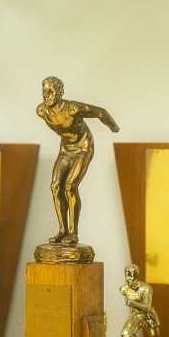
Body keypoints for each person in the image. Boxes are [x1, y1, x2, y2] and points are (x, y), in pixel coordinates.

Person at [37, 76, 119, 244]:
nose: (47, 96)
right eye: (44, 92)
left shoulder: (73, 108)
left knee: (70, 185)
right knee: (55, 186)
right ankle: (62, 230)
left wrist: (113, 127)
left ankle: (73, 233)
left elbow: (101, 112)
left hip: (83, 146)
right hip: (65, 150)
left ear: (60, 92)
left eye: (51, 92)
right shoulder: (41, 111)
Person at [119, 264, 167, 337]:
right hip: (136, 316)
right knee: (125, 335)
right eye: (127, 275)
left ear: (136, 276)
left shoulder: (145, 289)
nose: (129, 279)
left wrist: (133, 304)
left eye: (131, 276)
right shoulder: (123, 289)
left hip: (149, 317)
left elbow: (147, 307)